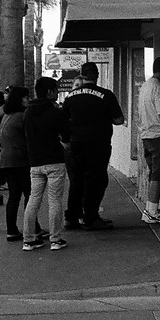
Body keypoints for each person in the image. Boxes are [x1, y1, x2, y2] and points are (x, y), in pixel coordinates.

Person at [62, 62, 124, 231]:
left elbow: (63, 120)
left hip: (76, 144)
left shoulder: (71, 96)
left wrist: (67, 140)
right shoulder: (106, 95)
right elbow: (119, 120)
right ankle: (91, 217)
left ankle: (71, 217)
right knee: (96, 180)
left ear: (82, 75)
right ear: (96, 75)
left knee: (77, 181)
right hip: (99, 145)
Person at [22, 76, 70, 251]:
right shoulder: (56, 112)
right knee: (55, 200)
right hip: (55, 161)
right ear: (49, 92)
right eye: (56, 90)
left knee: (33, 200)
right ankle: (55, 239)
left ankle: (28, 239)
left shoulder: (28, 112)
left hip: (35, 162)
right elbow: (67, 138)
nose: (57, 93)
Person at [0, 86, 46, 242]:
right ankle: (33, 229)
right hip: (21, 160)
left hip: (6, 161)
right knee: (30, 195)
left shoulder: (7, 116)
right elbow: (30, 138)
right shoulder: (22, 116)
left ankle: (11, 229)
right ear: (20, 99)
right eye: (26, 98)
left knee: (14, 196)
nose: (28, 100)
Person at [137, 56, 160, 224]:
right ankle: (151, 211)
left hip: (146, 135)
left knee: (153, 173)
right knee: (158, 173)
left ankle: (152, 208)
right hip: (157, 136)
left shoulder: (145, 86)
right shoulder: (159, 89)